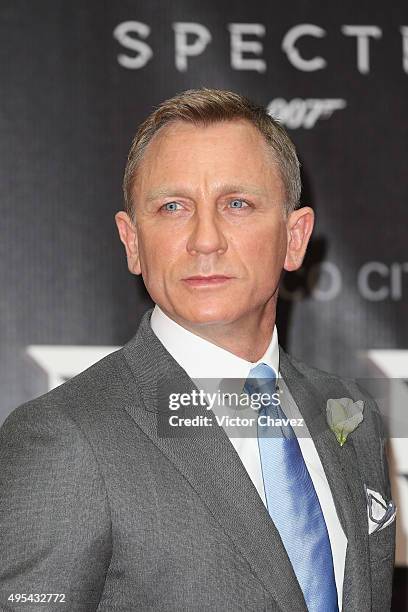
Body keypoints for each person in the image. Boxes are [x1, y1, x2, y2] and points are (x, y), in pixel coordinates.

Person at [0, 88, 395, 611]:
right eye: (172, 206)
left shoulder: (352, 416)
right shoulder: (65, 439)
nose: (205, 239)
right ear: (133, 242)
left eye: (237, 204)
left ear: (295, 237)